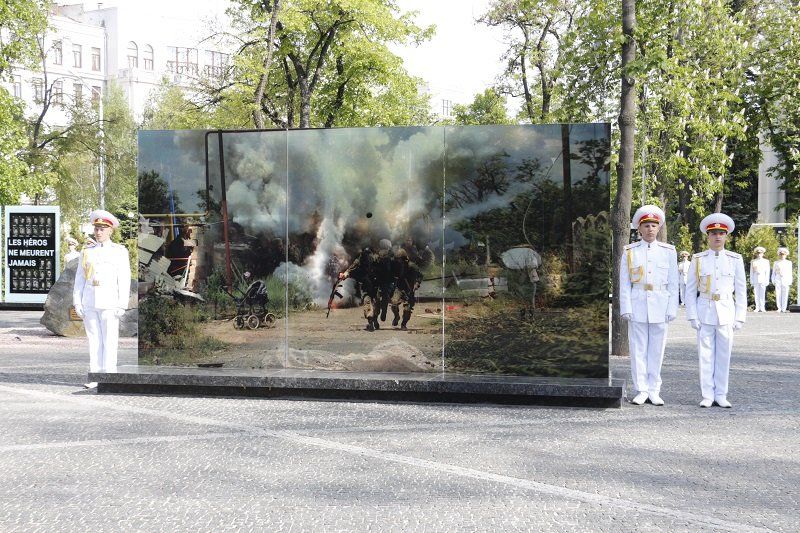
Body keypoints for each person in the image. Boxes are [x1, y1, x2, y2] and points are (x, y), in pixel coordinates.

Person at [619, 205, 679, 406]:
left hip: (660, 304)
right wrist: (626, 307)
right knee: (638, 348)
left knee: (657, 349)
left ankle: (654, 389)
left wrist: (672, 308)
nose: (650, 229)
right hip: (637, 303)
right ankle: (641, 389)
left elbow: (673, 282)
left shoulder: (668, 251)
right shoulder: (630, 251)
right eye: (646, 226)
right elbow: (625, 282)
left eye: (654, 225)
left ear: (659, 227)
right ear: (639, 229)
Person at [685, 213, 746, 408]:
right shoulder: (698, 259)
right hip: (705, 310)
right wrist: (692, 315)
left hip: (726, 311)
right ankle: (707, 395)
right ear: (707, 236)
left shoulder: (735, 259)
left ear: (726, 236)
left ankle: (721, 394)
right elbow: (690, 290)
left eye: (721, 233)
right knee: (705, 355)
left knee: (724, 355)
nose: (717, 237)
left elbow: (742, 289)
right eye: (713, 233)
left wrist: (740, 316)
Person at [73, 210, 131, 389]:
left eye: (102, 229)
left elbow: (124, 278)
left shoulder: (119, 251)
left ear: (110, 231)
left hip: (109, 302)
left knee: (110, 340)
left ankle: (109, 375)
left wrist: (122, 304)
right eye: (97, 228)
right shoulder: (87, 252)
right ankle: (95, 375)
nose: (98, 232)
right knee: (94, 340)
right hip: (90, 301)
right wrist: (77, 301)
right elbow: (80, 279)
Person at [340, 247, 380, 331]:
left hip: (372, 284)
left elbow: (351, 269)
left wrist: (345, 274)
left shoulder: (363, 259)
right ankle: (372, 320)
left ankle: (371, 320)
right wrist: (345, 274)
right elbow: (351, 269)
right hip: (372, 284)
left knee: (368, 301)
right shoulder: (375, 258)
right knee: (371, 301)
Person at [390, 249, 422, 330]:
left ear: (404, 258)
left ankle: (403, 324)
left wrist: (417, 284)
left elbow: (420, 276)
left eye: (400, 259)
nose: (398, 261)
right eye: (397, 259)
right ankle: (396, 317)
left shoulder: (412, 266)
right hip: (399, 288)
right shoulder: (396, 265)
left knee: (407, 309)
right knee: (394, 304)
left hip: (409, 289)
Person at [771, 247, 793, 313]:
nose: (782, 256)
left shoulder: (789, 263)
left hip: (786, 279)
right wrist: (773, 280)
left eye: (783, 254)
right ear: (779, 255)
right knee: (778, 294)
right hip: (778, 279)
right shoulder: (776, 262)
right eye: (781, 254)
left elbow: (790, 272)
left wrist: (790, 280)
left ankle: (784, 308)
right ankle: (779, 308)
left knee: (785, 294)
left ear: (786, 255)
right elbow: (773, 273)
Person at [750, 246, 770, 313]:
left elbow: (767, 272)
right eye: (758, 253)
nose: (759, 254)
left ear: (763, 254)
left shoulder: (766, 261)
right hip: (756, 279)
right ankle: (757, 307)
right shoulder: (753, 261)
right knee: (756, 294)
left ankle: (762, 307)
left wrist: (767, 280)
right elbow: (751, 272)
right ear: (756, 254)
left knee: (762, 294)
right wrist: (751, 280)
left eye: (760, 253)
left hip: (763, 279)